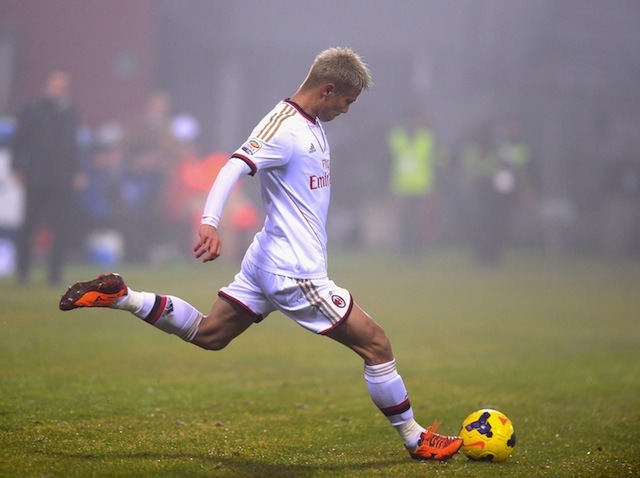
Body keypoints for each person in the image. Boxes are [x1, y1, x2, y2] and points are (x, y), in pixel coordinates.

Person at [59, 48, 462, 461]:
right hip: (294, 272)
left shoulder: (309, 120)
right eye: (347, 100)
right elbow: (233, 166)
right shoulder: (284, 127)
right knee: (376, 345)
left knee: (209, 334)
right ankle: (416, 439)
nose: (347, 109)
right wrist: (210, 222)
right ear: (327, 90)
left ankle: (123, 296)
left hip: (267, 259)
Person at [12, 70, 86, 285]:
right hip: (37, 176)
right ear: (48, 86)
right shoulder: (33, 109)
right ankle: (23, 271)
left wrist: (77, 171)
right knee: (29, 224)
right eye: (56, 86)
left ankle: (55, 273)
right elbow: (20, 139)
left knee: (61, 227)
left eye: (63, 87)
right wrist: (17, 167)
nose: (59, 90)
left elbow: (73, 144)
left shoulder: (70, 111)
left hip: (61, 178)